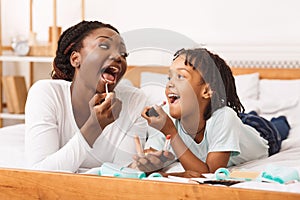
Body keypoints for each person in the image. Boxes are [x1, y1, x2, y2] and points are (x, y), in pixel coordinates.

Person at [135, 48, 289, 176]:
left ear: (207, 90)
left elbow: (208, 173)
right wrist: (149, 161)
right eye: (170, 77)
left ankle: (281, 120)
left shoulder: (225, 117)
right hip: (223, 120)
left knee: (278, 125)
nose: (170, 84)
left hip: (263, 133)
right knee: (238, 118)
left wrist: (171, 132)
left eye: (180, 77)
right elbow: (153, 157)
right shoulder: (165, 118)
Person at [24, 20, 149, 173]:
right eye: (104, 46)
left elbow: (122, 174)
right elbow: (40, 174)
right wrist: (94, 127)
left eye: (123, 54)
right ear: (76, 59)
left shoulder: (135, 101)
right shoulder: (46, 93)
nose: (118, 57)